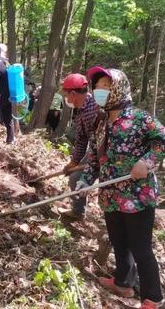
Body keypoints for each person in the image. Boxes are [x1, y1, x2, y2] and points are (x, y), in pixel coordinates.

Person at [79, 67, 165, 309]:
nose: (100, 91)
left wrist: (147, 161)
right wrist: (85, 181)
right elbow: (94, 156)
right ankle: (123, 282)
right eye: (97, 87)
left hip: (137, 196)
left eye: (106, 86)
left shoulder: (140, 119)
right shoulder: (101, 123)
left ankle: (152, 298)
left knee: (141, 248)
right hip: (110, 195)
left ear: (119, 88)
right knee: (119, 242)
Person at [59, 73, 100, 221]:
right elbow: (82, 140)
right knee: (76, 177)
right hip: (95, 150)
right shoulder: (82, 109)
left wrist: (91, 162)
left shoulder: (94, 108)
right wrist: (74, 162)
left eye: (66, 94)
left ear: (73, 94)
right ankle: (78, 212)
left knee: (79, 178)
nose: (66, 98)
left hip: (106, 152)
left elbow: (97, 142)